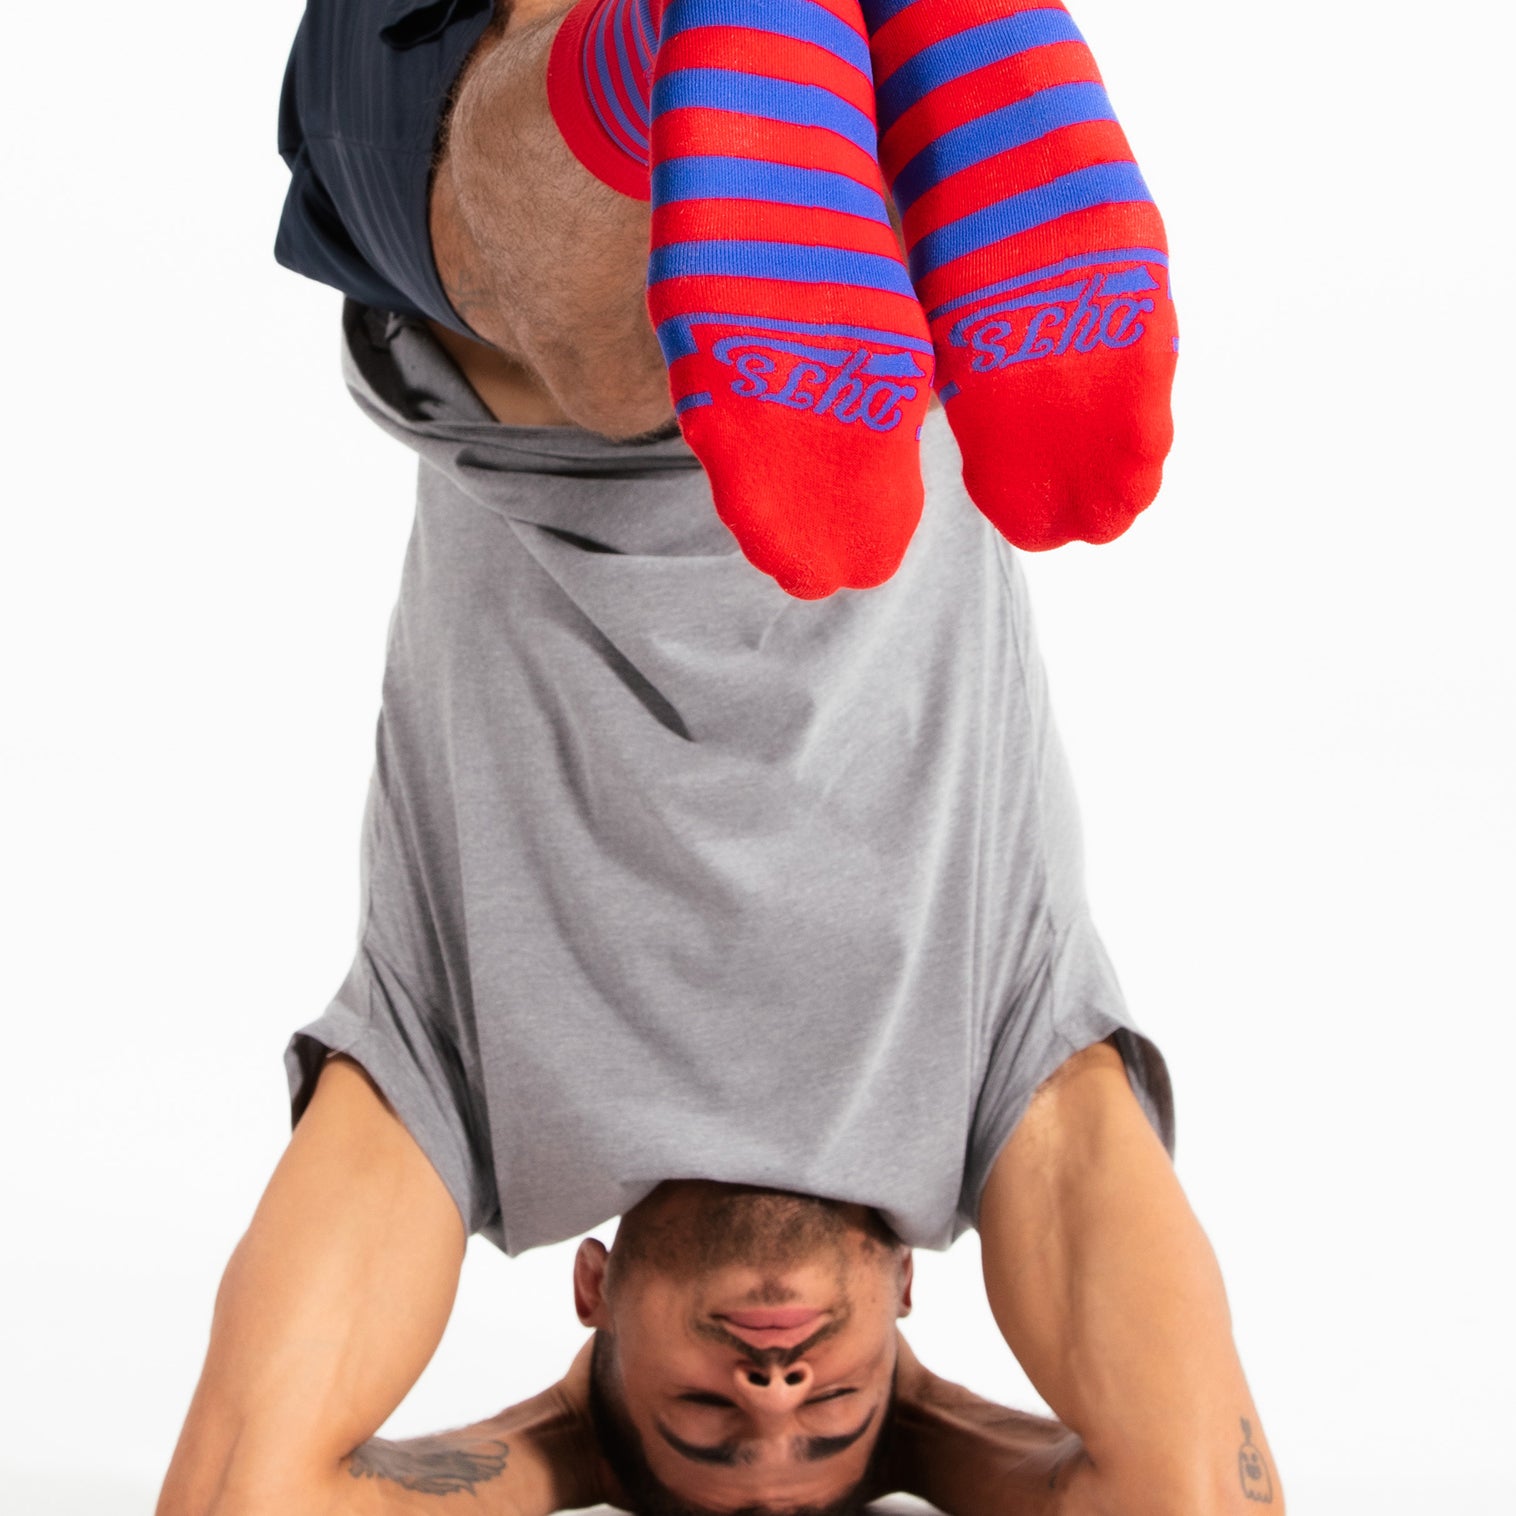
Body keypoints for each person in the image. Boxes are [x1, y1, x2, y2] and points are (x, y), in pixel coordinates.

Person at [155, 1, 1282, 1512]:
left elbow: (245, 1498)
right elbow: (1187, 1499)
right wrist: (939, 1439)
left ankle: (723, 53)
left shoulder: (464, 1100)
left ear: (595, 1301)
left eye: (700, 1430)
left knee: (612, 356)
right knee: (643, 303)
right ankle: (830, 61)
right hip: (836, 249)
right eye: (832, 1432)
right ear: (902, 1306)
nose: (772, 1397)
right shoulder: (1007, 1079)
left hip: (549, 194)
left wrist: (570, 1449)